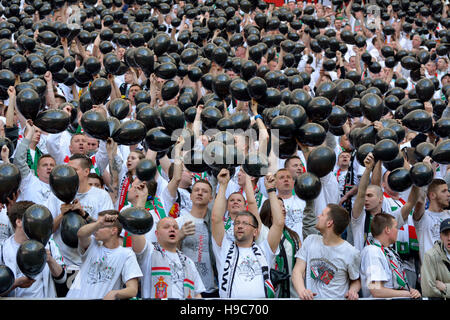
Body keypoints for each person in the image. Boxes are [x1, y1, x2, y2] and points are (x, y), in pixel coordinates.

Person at [211, 171, 285, 298]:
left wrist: (272, 191)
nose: (239, 225)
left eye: (245, 223)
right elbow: (216, 219)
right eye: (237, 223)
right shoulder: (223, 247)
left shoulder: (265, 248)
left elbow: (278, 223)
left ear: (255, 231)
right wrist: (223, 185)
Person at [66, 210, 142, 300]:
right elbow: (80, 234)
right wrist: (99, 223)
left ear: (113, 230)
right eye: (97, 224)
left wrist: (115, 293)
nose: (95, 229)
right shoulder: (92, 245)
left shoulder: (127, 254)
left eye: (101, 226)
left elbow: (133, 290)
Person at [292, 204, 361, 300]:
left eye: (322, 214)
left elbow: (356, 280)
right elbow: (297, 272)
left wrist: (353, 291)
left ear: (329, 223)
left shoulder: (351, 252)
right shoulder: (310, 240)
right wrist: (303, 292)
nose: (318, 216)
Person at [0, 201, 66, 298]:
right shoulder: (2, 248)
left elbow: (62, 279)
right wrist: (16, 283)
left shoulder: (49, 244)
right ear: (19, 222)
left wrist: (50, 260)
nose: (38, 223)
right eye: (33, 219)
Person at [130, 217, 206, 299]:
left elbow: (197, 294)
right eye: (166, 227)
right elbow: (136, 234)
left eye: (175, 227)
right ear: (157, 234)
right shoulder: (149, 252)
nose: (172, 229)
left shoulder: (188, 262)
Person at [360, 213, 421, 299]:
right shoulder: (372, 251)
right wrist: (407, 294)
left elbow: (394, 284)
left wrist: (411, 291)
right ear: (387, 230)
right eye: (396, 227)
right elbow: (376, 291)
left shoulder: (390, 252)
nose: (398, 230)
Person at [13, 121, 55, 206]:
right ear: (38, 170)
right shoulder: (31, 181)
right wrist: (30, 132)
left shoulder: (58, 188)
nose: (49, 167)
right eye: (45, 165)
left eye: (52, 165)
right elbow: (19, 160)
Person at [413, 178, 450, 262]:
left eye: (448, 191)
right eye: (444, 191)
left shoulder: (448, 214)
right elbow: (420, 201)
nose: (448, 194)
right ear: (432, 195)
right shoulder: (423, 216)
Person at [420, 218, 450, 298]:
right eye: (446, 234)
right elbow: (428, 291)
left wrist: (445, 288)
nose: (449, 238)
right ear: (440, 236)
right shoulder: (430, 256)